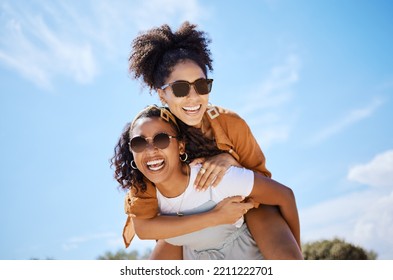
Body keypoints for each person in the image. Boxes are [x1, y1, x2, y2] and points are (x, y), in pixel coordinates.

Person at [124, 21, 303, 259]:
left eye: (201, 85)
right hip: (187, 220)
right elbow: (146, 223)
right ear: (162, 94)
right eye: (179, 89)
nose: (193, 97)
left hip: (243, 207)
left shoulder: (230, 123)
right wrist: (212, 218)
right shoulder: (155, 139)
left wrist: (231, 160)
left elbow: (264, 186)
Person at [112, 105, 300, 259]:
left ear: (181, 146)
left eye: (161, 139)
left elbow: (285, 196)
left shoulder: (215, 176)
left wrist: (296, 251)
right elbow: (144, 230)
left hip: (248, 250)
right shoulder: (144, 196)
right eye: (139, 143)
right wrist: (216, 216)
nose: (150, 149)